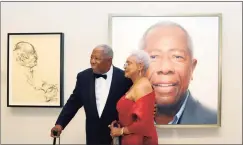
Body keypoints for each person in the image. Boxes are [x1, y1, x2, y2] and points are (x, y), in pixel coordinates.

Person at [50, 44, 133, 145]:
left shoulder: (125, 78)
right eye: (91, 57)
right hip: (92, 136)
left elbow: (136, 103)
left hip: (117, 136)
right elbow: (73, 102)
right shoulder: (83, 77)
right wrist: (60, 124)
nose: (92, 61)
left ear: (109, 60)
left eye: (97, 58)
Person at [140, 21, 217, 124]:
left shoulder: (213, 121)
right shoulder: (121, 120)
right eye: (153, 57)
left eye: (177, 57)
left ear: (192, 68)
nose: (165, 68)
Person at [109, 50, 158, 145]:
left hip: (140, 140)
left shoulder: (143, 86)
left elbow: (144, 123)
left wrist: (121, 131)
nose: (125, 67)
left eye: (129, 63)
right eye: (125, 64)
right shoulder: (135, 85)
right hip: (131, 139)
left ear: (140, 66)